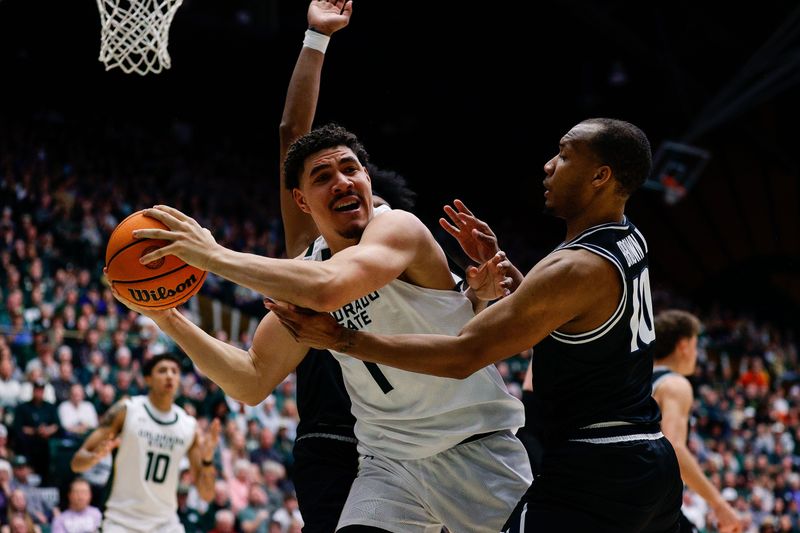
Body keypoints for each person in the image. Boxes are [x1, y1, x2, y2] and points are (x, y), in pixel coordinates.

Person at [267, 118, 684, 532]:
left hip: (598, 462)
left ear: (600, 176)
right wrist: (496, 280)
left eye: (564, 155)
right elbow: (554, 312)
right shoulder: (627, 237)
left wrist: (343, 339)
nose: (549, 165)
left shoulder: (573, 267)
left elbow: (463, 354)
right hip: (645, 451)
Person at [113, 127, 530, 532]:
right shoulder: (306, 274)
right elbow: (251, 379)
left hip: (473, 443)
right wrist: (166, 316)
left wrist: (214, 256)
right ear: (301, 200)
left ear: (367, 178)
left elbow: (332, 289)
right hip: (390, 463)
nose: (342, 182)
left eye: (351, 170)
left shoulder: (398, 227)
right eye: (323, 177)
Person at [275, 2, 510, 530]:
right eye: (326, 183)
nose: (347, 193)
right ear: (309, 203)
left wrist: (479, 297)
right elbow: (293, 133)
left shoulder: (405, 255)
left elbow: (461, 342)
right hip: (343, 438)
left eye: (366, 198)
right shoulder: (310, 249)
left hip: (426, 438)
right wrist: (316, 38)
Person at [70, 354, 221, 533]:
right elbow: (76, 463)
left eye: (175, 371)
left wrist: (207, 460)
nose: (170, 376)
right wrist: (94, 457)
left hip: (165, 523)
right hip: (122, 521)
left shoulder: (188, 426)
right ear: (148, 379)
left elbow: (207, 494)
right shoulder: (127, 410)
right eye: (162, 371)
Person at [653, 309, 743, 533]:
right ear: (683, 345)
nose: (697, 352)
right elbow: (673, 448)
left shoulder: (637, 378)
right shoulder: (675, 384)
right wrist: (719, 504)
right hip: (650, 497)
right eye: (695, 344)